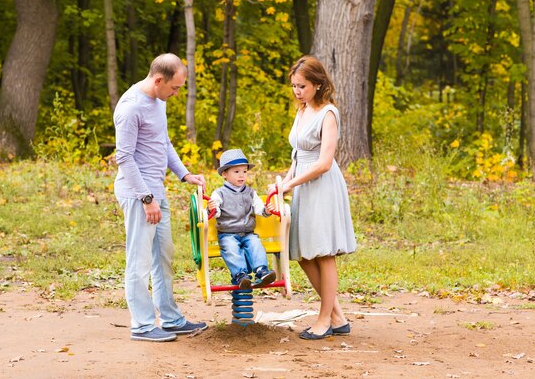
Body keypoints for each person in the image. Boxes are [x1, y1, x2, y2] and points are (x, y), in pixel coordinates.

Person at [114, 53, 208, 342]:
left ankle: (170, 319)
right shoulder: (131, 108)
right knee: (139, 261)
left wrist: (185, 174)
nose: (176, 93)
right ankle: (142, 326)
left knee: (163, 256)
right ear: (158, 80)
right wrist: (146, 199)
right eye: (175, 88)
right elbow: (124, 158)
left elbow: (162, 142)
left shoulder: (158, 102)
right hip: (138, 194)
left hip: (157, 190)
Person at [273, 55, 357, 340]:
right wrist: (285, 181)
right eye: (294, 86)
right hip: (302, 186)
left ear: (318, 85)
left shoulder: (328, 113)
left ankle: (325, 320)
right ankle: (338, 316)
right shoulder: (302, 110)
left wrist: (292, 183)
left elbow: (323, 162)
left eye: (303, 86)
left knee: (323, 253)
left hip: (322, 185)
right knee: (303, 253)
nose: (297, 92)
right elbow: (298, 156)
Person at [207, 149, 277, 290]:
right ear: (225, 174)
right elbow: (216, 212)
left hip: (247, 232)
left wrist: (266, 210)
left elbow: (258, 207)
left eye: (244, 171)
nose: (241, 175)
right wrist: (212, 208)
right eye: (236, 172)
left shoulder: (250, 192)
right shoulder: (219, 193)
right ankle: (240, 275)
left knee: (256, 245)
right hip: (228, 233)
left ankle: (261, 271)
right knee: (231, 249)